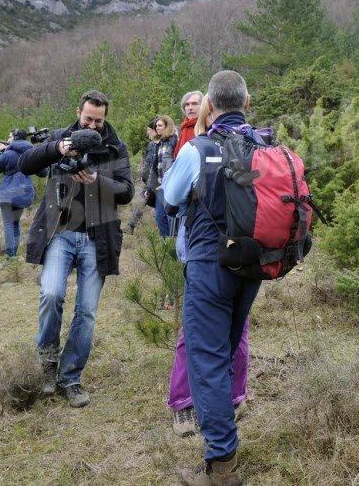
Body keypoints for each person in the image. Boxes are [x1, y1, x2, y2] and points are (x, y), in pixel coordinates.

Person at [162, 71, 260, 485]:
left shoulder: (197, 149)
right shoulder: (264, 144)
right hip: (254, 265)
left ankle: (221, 467)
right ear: (247, 103)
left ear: (209, 107)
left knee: (206, 361)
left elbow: (169, 198)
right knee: (229, 344)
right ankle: (225, 426)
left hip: (208, 265)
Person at [18, 90, 133, 408]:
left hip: (98, 238)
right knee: (51, 294)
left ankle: (71, 378)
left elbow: (127, 191)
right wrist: (58, 148)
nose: (93, 126)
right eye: (88, 119)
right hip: (61, 233)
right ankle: (47, 363)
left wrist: (97, 181)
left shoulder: (115, 146)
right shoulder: (60, 137)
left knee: (86, 312)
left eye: (99, 120)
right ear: (78, 112)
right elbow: (24, 164)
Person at [0, 129, 36, 259]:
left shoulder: (8, 153)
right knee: (15, 223)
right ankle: (14, 254)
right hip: (23, 193)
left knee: (8, 225)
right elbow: (42, 172)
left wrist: (1, 151)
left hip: (8, 194)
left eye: (9, 136)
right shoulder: (30, 153)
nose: (8, 138)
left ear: (15, 138)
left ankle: (10, 255)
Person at [127, 119, 159, 234]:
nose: (147, 133)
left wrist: (147, 181)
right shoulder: (152, 145)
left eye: (149, 130)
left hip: (154, 182)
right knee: (143, 202)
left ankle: (131, 225)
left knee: (146, 202)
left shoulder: (157, 145)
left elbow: (149, 165)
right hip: (151, 181)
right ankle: (131, 225)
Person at [151, 114, 178, 237]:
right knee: (160, 219)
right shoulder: (159, 143)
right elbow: (155, 167)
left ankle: (173, 251)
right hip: (160, 187)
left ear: (167, 126)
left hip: (171, 187)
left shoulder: (174, 140)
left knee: (171, 220)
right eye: (156, 126)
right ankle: (165, 251)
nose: (157, 128)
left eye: (160, 125)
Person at [173, 91, 202, 159]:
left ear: (203, 106)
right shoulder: (183, 128)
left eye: (194, 104)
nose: (190, 108)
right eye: (187, 105)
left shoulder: (209, 126)